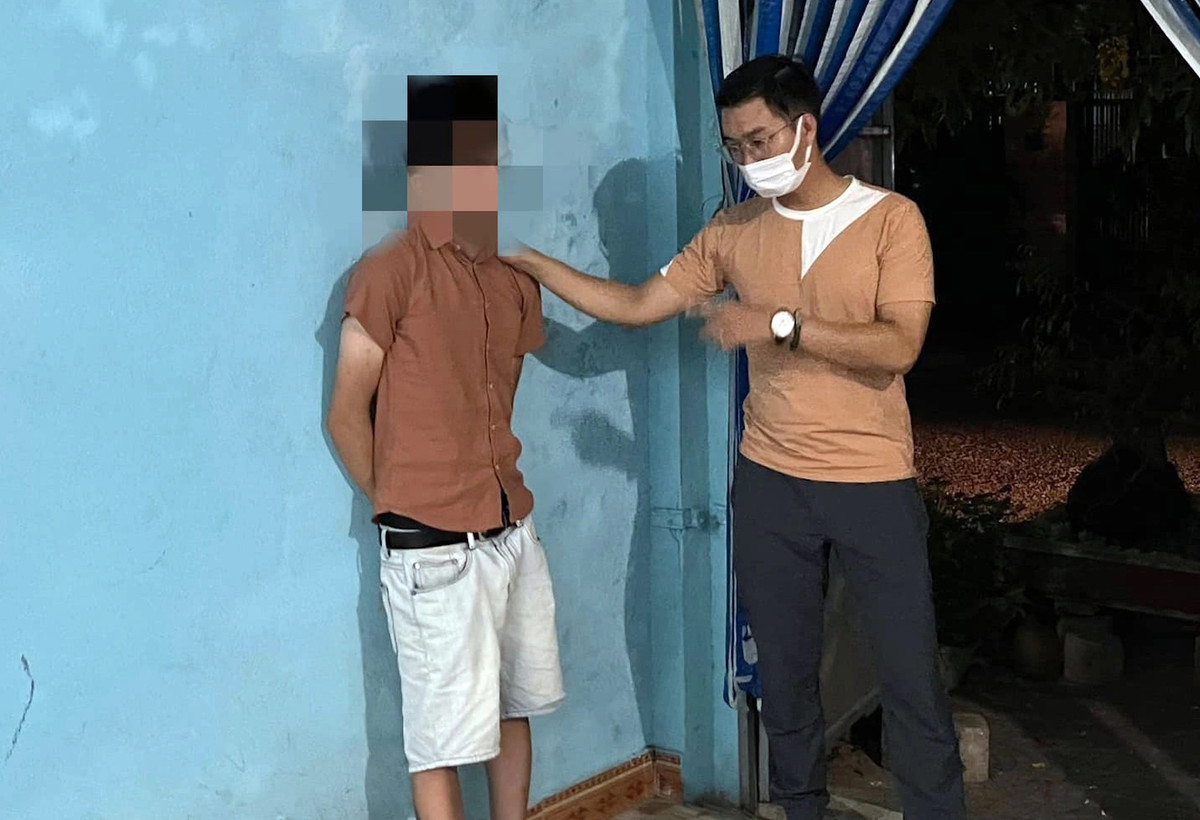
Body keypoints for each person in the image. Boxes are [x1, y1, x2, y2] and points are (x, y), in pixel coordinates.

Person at [502, 56, 964, 820]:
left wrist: (779, 324)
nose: (748, 159)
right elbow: (637, 304)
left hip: (873, 483)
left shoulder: (891, 219)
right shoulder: (734, 231)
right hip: (771, 484)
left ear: (805, 128)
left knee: (910, 677)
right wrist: (529, 261)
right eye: (735, 146)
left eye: (759, 140)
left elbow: (899, 346)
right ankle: (800, 809)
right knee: (784, 681)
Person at [327, 74, 564, 820]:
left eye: (497, 161)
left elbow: (497, 396)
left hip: (511, 530)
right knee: (440, 742)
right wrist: (402, 504)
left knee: (511, 707)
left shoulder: (510, 277)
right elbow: (345, 415)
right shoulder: (390, 271)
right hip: (432, 549)